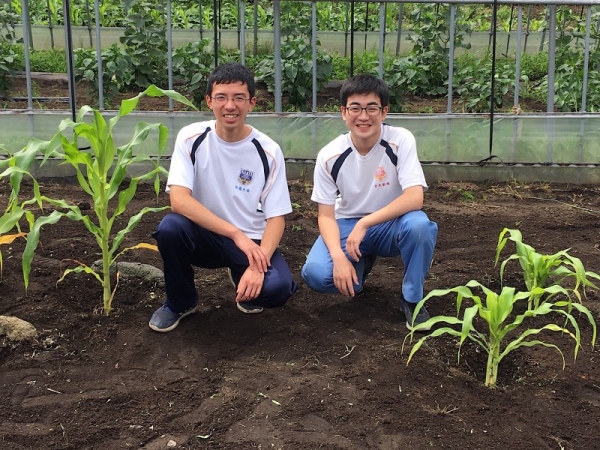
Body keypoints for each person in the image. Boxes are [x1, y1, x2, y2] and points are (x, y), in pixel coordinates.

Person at [149, 62, 298, 332]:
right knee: (171, 228)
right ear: (209, 101)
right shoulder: (191, 139)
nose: (230, 106)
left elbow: (277, 218)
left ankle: (242, 272)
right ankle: (180, 302)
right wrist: (234, 234)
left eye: (239, 98)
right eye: (222, 97)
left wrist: (257, 262)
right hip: (205, 236)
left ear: (251, 103)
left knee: (276, 290)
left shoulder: (268, 151)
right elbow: (179, 201)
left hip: (251, 241)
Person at [301, 74, 438, 331]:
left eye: (371, 108)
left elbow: (414, 197)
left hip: (391, 223)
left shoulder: (400, 141)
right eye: (355, 108)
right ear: (343, 112)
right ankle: (360, 264)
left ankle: (412, 299)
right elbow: (326, 215)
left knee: (420, 227)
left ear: (384, 112)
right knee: (317, 275)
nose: (363, 116)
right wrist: (338, 257)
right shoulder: (330, 155)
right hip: (347, 225)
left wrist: (366, 222)